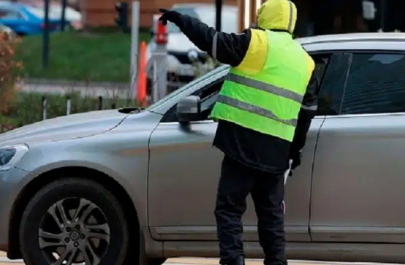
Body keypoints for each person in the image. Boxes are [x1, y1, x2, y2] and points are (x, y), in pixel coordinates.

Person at [159, 1, 318, 265]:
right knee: (271, 218)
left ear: (265, 14)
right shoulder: (305, 61)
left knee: (229, 210)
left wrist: (181, 19)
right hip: (277, 151)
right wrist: (294, 151)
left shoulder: (255, 43)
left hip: (242, 143)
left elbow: (211, 40)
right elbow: (307, 111)